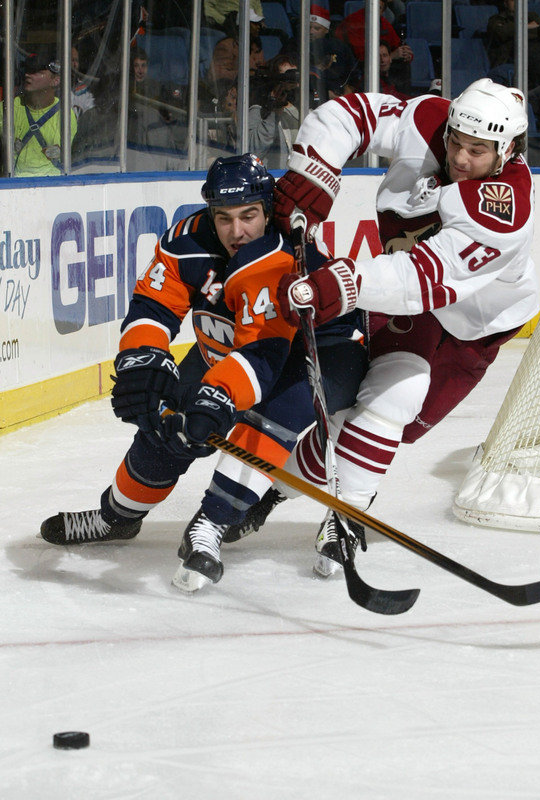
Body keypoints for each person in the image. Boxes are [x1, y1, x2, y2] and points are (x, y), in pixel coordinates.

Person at [238, 80, 538, 577]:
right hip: (407, 298)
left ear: (507, 150)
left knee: (369, 427)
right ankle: (347, 517)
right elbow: (348, 115)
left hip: (473, 322)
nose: (460, 157)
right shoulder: (429, 120)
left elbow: (425, 280)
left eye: (477, 150)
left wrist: (343, 282)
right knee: (390, 400)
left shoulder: (503, 208)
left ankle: (275, 493)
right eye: (456, 141)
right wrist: (314, 171)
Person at [40, 154, 367, 592]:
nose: (237, 231)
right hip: (231, 346)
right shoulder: (185, 239)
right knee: (166, 425)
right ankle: (115, 517)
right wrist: (144, 358)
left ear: (268, 211)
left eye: (249, 216)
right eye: (224, 217)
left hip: (316, 351)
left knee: (268, 422)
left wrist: (217, 395)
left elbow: (263, 354)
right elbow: (153, 306)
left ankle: (210, 525)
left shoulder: (277, 256)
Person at [0, 48, 77, 177]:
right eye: (28, 70)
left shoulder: (66, 116)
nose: (28, 75)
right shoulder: (9, 108)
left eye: (37, 71)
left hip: (54, 186)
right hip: (13, 186)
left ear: (55, 80)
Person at [333, 0, 412, 70]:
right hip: (356, 68)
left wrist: (407, 54)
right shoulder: (354, 22)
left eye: (379, 8)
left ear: (382, 12)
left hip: (378, 64)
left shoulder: (384, 24)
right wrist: (391, 56)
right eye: (372, 6)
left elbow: (397, 45)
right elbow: (362, 58)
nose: (374, 10)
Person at [485, 0, 540, 71]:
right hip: (509, 58)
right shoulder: (496, 19)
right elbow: (502, 32)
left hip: (532, 56)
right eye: (513, 0)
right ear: (505, 3)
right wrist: (527, 26)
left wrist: (516, 29)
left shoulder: (532, 16)